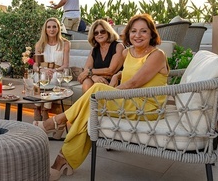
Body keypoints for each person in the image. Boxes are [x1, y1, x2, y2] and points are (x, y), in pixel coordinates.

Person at [34, 14, 169, 180]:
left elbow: (133, 83)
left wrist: (108, 91)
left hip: (146, 107)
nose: (137, 35)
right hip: (127, 100)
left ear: (151, 34)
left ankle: (59, 122)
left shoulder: (157, 55)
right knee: (89, 112)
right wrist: (117, 76)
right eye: (133, 31)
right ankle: (63, 159)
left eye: (143, 31)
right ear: (128, 34)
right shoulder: (128, 53)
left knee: (96, 91)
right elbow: (123, 72)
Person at [33, 17, 70, 121]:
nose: (52, 29)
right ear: (45, 29)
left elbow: (65, 65)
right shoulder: (40, 44)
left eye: (54, 27)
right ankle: (37, 107)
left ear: (58, 28)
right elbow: (35, 65)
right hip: (43, 71)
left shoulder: (65, 44)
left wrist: (54, 70)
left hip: (58, 71)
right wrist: (42, 70)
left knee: (53, 78)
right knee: (40, 78)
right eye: (49, 27)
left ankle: (45, 109)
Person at [77, 19, 124, 92]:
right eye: (96, 33)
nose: (99, 34)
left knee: (94, 84)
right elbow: (87, 69)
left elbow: (110, 71)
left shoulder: (118, 46)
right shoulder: (94, 49)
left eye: (102, 31)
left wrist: (89, 72)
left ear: (108, 32)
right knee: (87, 82)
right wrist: (93, 76)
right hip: (98, 80)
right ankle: (89, 103)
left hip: (114, 81)